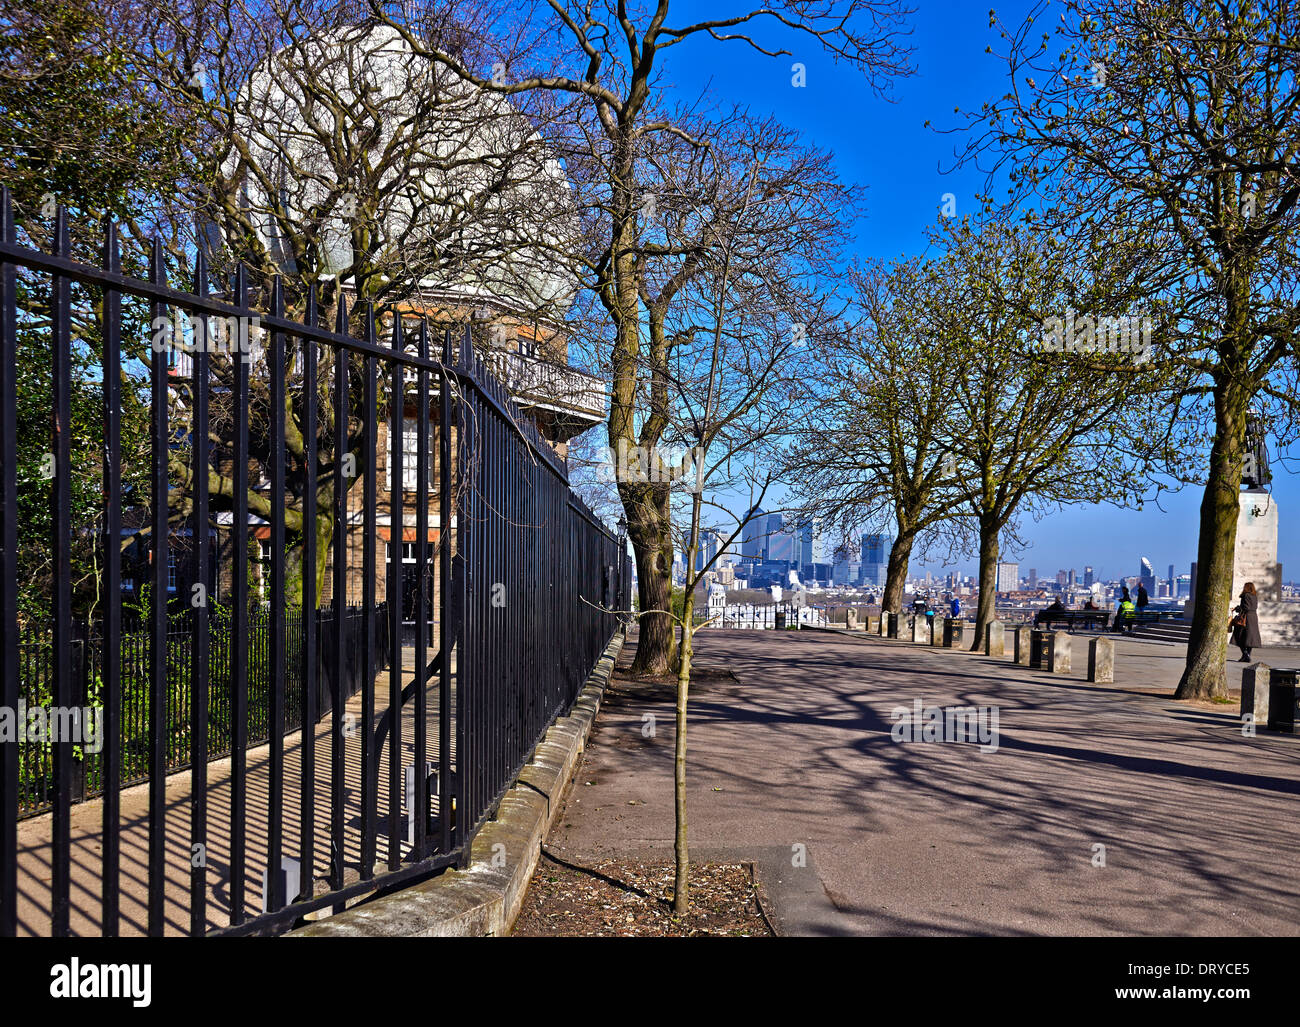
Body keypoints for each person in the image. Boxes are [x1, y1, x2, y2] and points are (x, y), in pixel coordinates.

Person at [1232, 581, 1263, 663]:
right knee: (1250, 638)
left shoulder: (1245, 596)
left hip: (1245, 618)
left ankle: (1246, 655)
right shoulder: (1254, 596)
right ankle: (1245, 656)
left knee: (1239, 636)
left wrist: (1237, 608)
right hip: (1253, 618)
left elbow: (1245, 608)